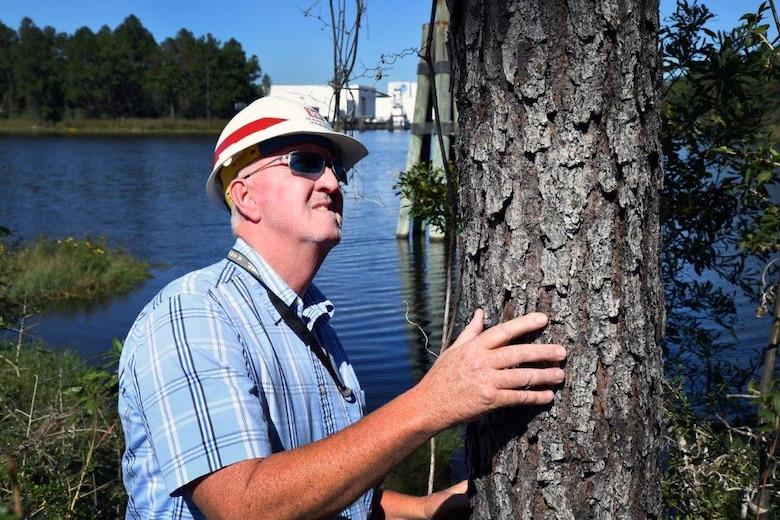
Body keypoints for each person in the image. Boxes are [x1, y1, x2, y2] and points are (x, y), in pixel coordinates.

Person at [118, 96, 567, 519]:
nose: (333, 183)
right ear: (245, 197)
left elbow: (326, 491)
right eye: (307, 163)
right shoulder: (194, 315)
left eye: (334, 169)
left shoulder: (308, 318)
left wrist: (423, 509)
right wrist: (432, 402)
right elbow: (243, 505)